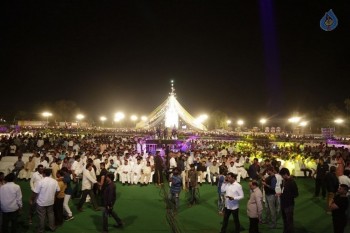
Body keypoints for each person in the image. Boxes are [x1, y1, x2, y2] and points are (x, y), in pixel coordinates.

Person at [31, 168, 60, 233]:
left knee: (42, 216)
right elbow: (58, 190)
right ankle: (52, 227)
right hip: (50, 201)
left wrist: (32, 199)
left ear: (43, 173)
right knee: (51, 214)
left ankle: (41, 230)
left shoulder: (40, 182)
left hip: (41, 202)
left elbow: (35, 192)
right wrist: (54, 196)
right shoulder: (54, 181)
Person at [279, 168, 299, 233]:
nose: (281, 177)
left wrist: (287, 196)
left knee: (289, 222)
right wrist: (281, 194)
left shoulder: (292, 182)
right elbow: (283, 190)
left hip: (289, 205)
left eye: (282, 175)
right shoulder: (284, 181)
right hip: (283, 204)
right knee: (285, 221)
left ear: (285, 174)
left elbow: (296, 194)